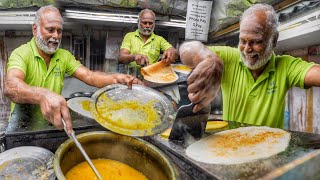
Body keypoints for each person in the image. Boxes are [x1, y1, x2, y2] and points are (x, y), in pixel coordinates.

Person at [4, 5, 143, 134]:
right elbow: (11, 86)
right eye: (50, 30)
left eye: (59, 31)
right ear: (35, 29)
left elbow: (90, 76)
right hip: (23, 128)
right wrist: (42, 95)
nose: (56, 36)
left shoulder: (64, 56)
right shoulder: (21, 53)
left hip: (51, 123)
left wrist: (117, 78)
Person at [179, 3, 320, 128]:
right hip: (230, 148)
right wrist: (209, 58)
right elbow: (186, 50)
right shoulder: (228, 57)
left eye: (256, 41)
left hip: (268, 152)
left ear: (274, 40)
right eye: (243, 41)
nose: (247, 49)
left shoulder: (286, 66)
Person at [118, 8, 177, 76]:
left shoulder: (159, 39)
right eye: (144, 23)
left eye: (150, 23)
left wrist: (171, 52)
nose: (147, 26)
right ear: (139, 22)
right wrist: (134, 57)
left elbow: (173, 50)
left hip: (151, 77)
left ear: (154, 24)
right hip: (131, 76)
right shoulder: (129, 36)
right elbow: (121, 57)